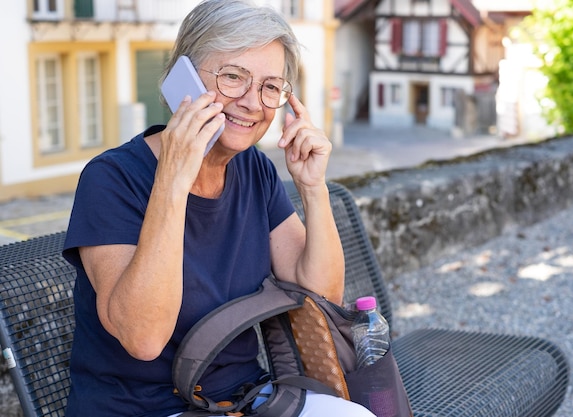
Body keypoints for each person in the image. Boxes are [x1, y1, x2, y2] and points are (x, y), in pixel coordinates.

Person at [62, 1, 375, 416]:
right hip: (139, 408)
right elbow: (143, 339)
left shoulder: (255, 170)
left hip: (243, 398)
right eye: (232, 77)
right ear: (182, 78)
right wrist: (173, 178)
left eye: (270, 86)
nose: (251, 102)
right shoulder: (111, 178)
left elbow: (319, 295)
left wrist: (312, 187)